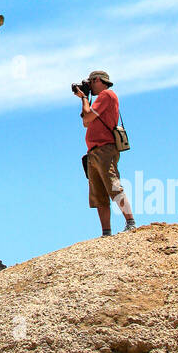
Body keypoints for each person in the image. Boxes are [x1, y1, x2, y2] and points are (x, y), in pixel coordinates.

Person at [75, 70, 136, 237]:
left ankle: (130, 222)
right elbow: (86, 122)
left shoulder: (107, 95)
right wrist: (85, 99)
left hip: (104, 148)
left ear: (97, 80)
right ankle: (106, 232)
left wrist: (84, 97)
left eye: (90, 83)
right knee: (98, 193)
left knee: (112, 184)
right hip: (94, 151)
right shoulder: (102, 98)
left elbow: (87, 119)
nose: (89, 86)